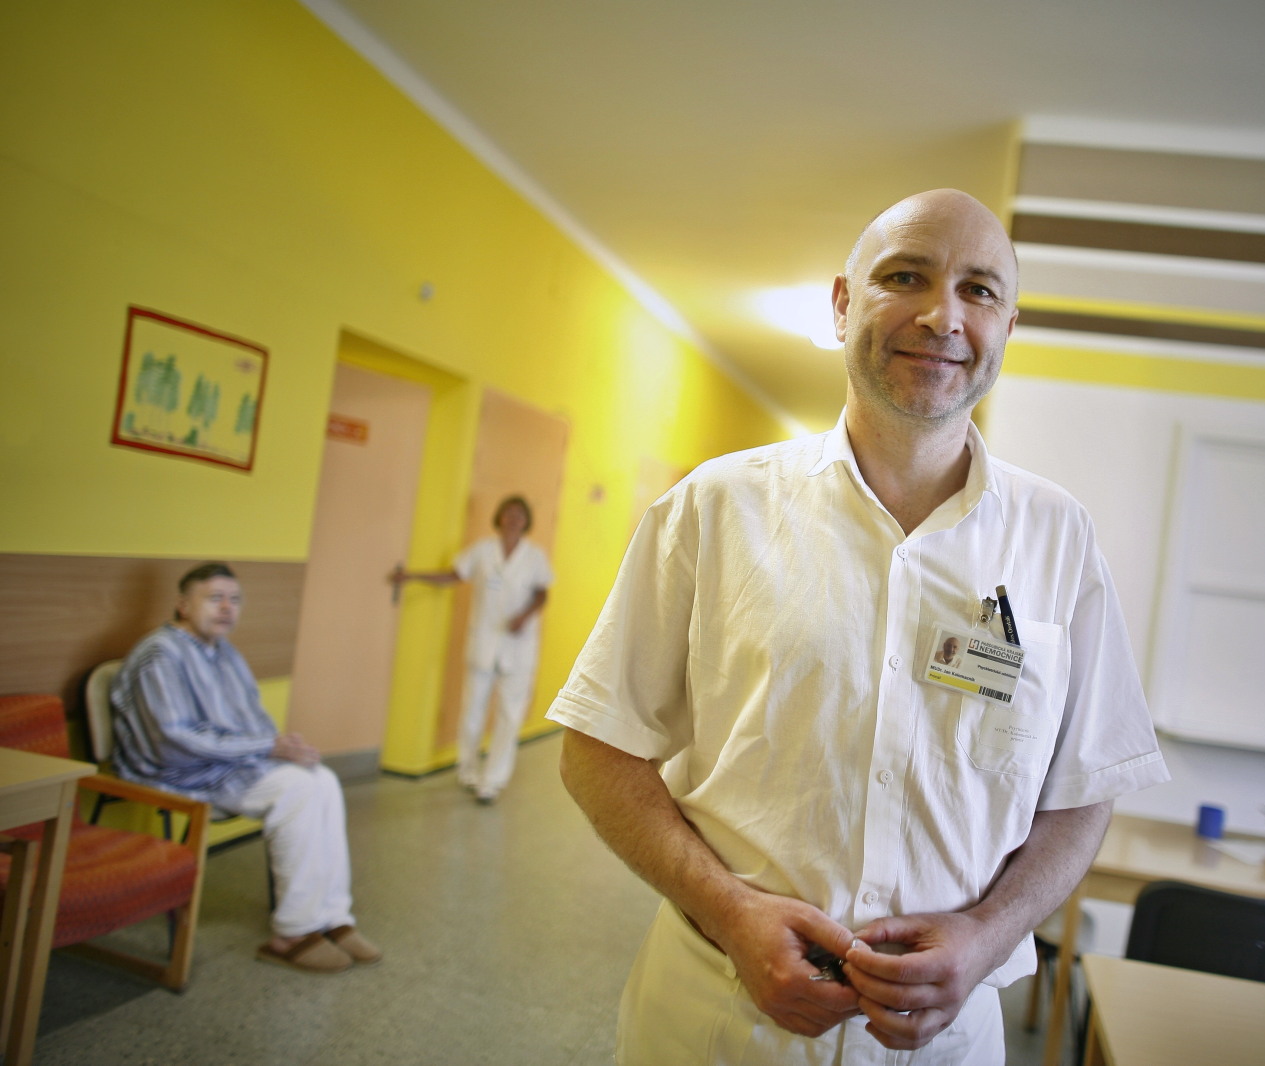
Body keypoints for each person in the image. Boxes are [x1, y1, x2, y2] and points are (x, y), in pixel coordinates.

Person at [549, 189, 1169, 1064]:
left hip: (945, 1043)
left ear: (1007, 326)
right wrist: (730, 912)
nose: (942, 316)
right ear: (843, 305)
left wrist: (989, 935)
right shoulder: (714, 509)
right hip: (718, 1023)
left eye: (978, 290)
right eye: (905, 277)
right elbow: (597, 748)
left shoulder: (1058, 539)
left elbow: (1082, 790)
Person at [111, 562, 381, 976]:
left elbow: (253, 721)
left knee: (323, 778)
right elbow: (175, 738)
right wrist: (268, 747)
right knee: (297, 790)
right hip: (179, 773)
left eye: (235, 600)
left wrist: (285, 749)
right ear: (183, 605)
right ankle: (292, 933)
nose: (227, 608)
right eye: (214, 598)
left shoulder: (224, 653)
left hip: (224, 765)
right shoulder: (160, 654)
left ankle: (332, 917)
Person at [391, 495, 553, 804]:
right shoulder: (481, 550)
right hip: (484, 644)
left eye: (520, 514)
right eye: (509, 513)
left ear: (526, 521)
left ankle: (492, 781)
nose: (514, 519)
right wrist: (412, 575)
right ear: (499, 517)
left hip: (518, 648)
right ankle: (467, 771)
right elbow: (452, 575)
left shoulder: (535, 556)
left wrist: (524, 616)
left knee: (509, 716)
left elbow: (543, 594)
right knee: (472, 713)